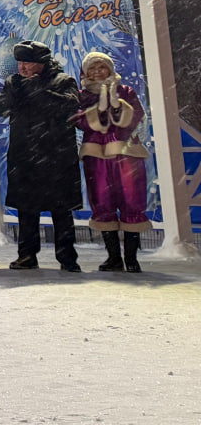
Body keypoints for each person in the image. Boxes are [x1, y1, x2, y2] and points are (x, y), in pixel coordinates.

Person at [0, 40, 83, 272]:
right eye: (20, 62)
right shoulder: (14, 83)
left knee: (61, 211)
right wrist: (9, 97)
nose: (22, 67)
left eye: (27, 63)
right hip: (25, 158)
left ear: (41, 63)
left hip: (56, 158)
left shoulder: (63, 81)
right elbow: (1, 106)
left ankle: (67, 258)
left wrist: (37, 91)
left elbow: (70, 107)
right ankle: (27, 255)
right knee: (26, 209)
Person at [72, 51, 148, 272]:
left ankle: (131, 258)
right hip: (96, 156)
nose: (97, 72)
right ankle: (114, 257)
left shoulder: (125, 91)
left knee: (131, 200)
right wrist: (98, 112)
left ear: (110, 69)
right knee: (102, 201)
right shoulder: (82, 96)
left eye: (101, 67)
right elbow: (79, 121)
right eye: (92, 68)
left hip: (126, 154)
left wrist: (117, 107)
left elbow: (136, 116)